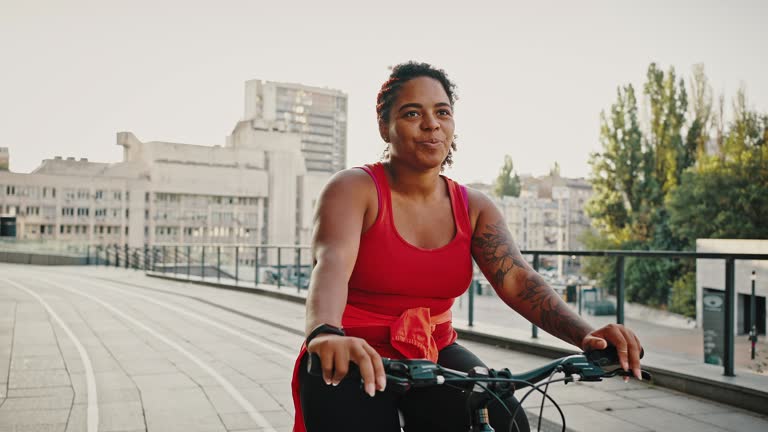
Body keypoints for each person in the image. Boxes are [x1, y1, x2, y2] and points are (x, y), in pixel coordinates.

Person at [291, 61, 643, 432]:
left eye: (442, 112)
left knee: (504, 418)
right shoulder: (353, 189)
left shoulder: (474, 207)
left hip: (434, 351)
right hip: (352, 352)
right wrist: (325, 333)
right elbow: (331, 263)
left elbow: (518, 280)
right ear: (385, 127)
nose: (431, 124)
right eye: (413, 113)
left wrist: (585, 336)